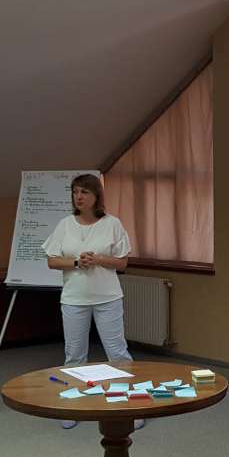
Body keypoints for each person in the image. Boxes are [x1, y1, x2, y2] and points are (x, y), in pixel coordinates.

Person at [42, 174, 143, 430]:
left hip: (107, 298)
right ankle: (73, 407)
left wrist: (98, 259)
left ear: (96, 196)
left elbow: (122, 262)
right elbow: (52, 261)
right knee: (74, 356)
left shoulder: (112, 224)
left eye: (84, 192)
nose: (79, 197)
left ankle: (130, 408)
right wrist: (77, 262)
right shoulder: (65, 224)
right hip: (74, 299)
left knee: (118, 354)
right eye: (75, 192)